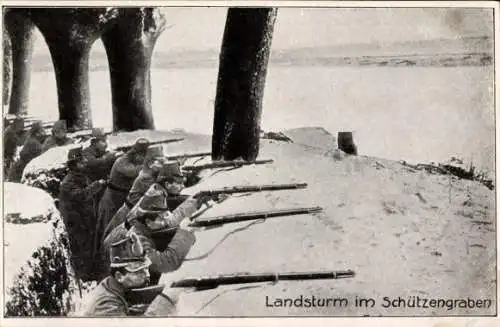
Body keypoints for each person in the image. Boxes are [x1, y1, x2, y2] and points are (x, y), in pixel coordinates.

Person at [101, 180, 210, 284]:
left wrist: (195, 202)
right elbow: (164, 263)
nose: (166, 221)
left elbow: (169, 220)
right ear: (148, 221)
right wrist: (184, 233)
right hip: (119, 273)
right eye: (162, 218)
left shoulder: (147, 220)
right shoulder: (136, 239)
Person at [80, 233, 182, 316]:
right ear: (119, 276)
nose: (146, 275)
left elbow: (135, 296)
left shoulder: (112, 284)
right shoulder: (106, 306)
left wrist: (171, 286)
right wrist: (166, 299)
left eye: (146, 269)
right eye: (138, 271)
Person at [96, 138, 150, 268]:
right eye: (141, 156)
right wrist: (149, 165)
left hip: (121, 200)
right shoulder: (121, 162)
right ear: (135, 154)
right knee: (107, 232)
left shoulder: (131, 161)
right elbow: (134, 172)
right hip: (111, 200)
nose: (143, 159)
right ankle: (100, 265)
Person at [59, 146, 107, 282]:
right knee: (82, 250)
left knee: (90, 247)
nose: (85, 162)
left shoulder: (80, 176)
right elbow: (81, 195)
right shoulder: (68, 183)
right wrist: (97, 185)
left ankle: (91, 273)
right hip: (77, 224)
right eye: (81, 161)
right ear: (74, 164)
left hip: (85, 220)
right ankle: (84, 277)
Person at [101, 146, 165, 242]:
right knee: (113, 238)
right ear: (151, 163)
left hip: (130, 210)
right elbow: (161, 187)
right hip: (127, 212)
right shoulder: (145, 177)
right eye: (160, 162)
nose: (163, 165)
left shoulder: (149, 173)